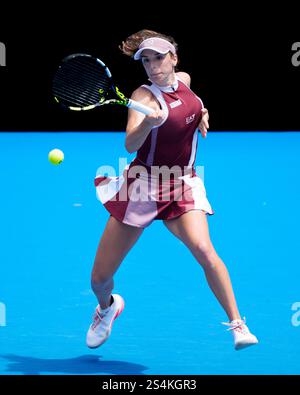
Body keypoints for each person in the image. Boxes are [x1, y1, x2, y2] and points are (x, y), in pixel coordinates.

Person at [86, 29, 258, 351]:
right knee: (98, 279)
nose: (153, 66)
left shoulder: (185, 80)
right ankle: (107, 308)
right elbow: (129, 144)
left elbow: (189, 108)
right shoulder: (142, 98)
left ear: (174, 58)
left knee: (205, 250)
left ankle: (238, 325)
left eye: (159, 58)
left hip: (182, 183)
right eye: (146, 61)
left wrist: (202, 114)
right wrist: (149, 123)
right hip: (144, 186)